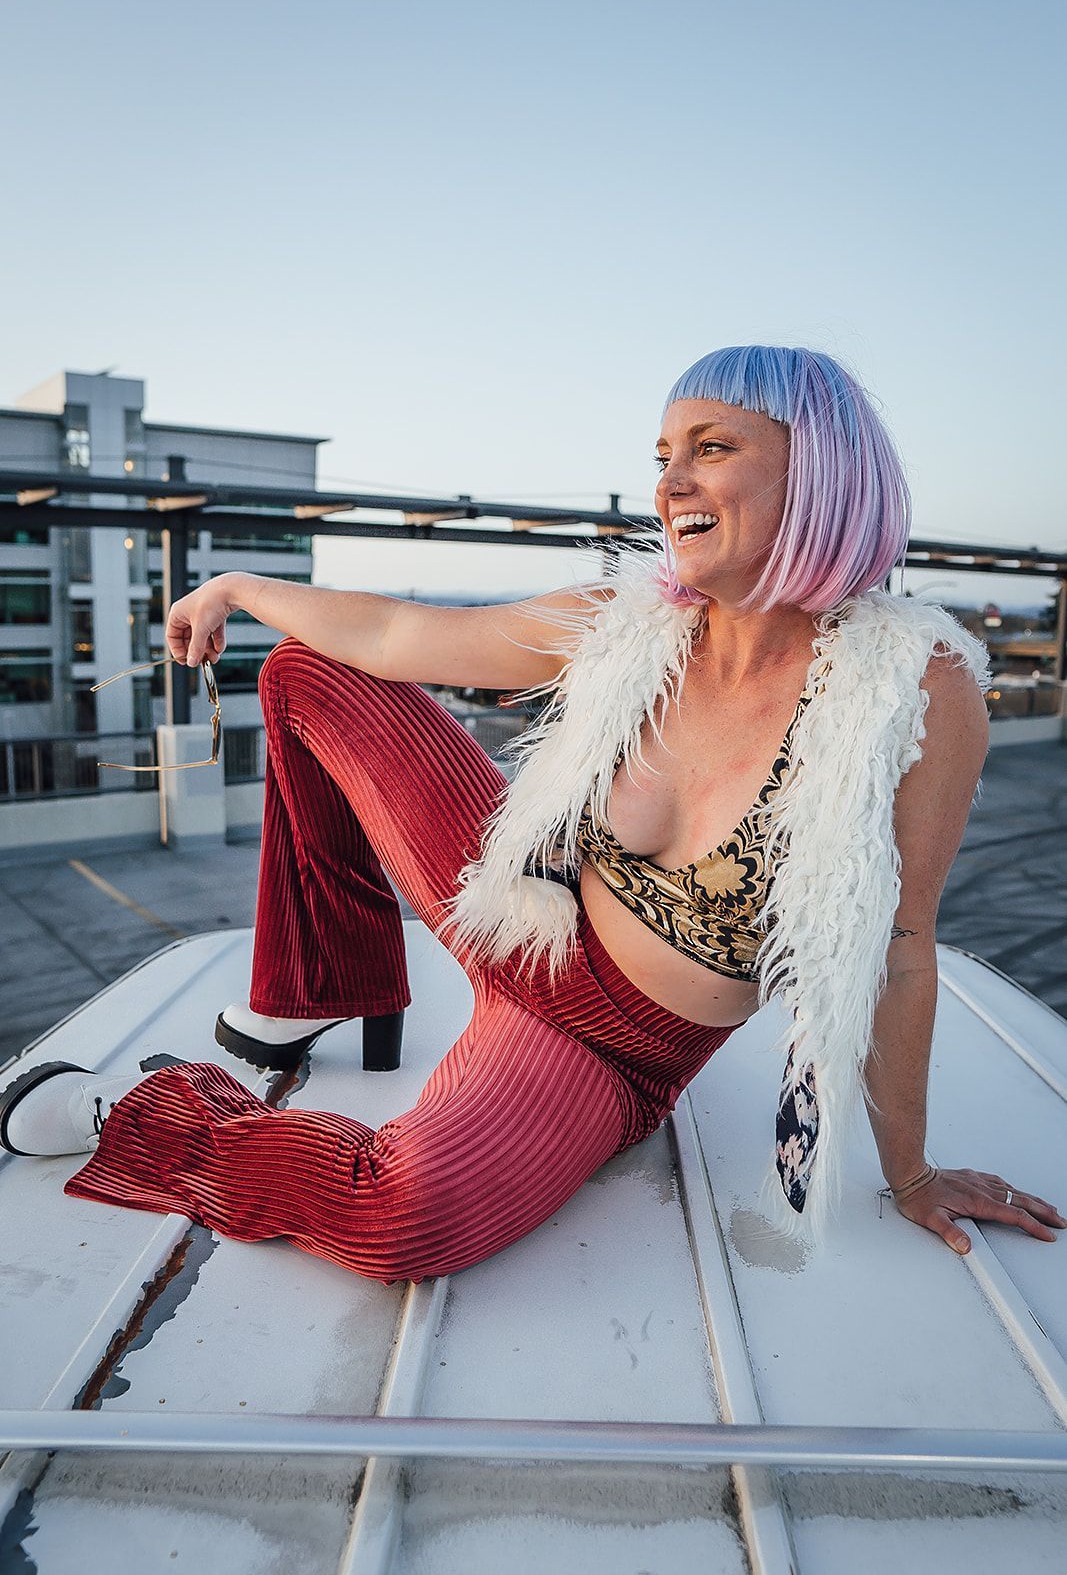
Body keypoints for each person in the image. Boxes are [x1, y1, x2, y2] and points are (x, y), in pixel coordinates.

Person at [2, 345, 1062, 1276]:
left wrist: (911, 1172)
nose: (669, 483)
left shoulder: (911, 687)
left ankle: (125, 1108)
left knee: (399, 1219)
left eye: (710, 447)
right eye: (661, 454)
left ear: (817, 469)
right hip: (518, 906)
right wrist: (236, 584)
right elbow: (392, 636)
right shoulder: (629, 617)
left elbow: (899, 951)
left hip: (600, 1043)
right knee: (306, 672)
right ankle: (317, 985)